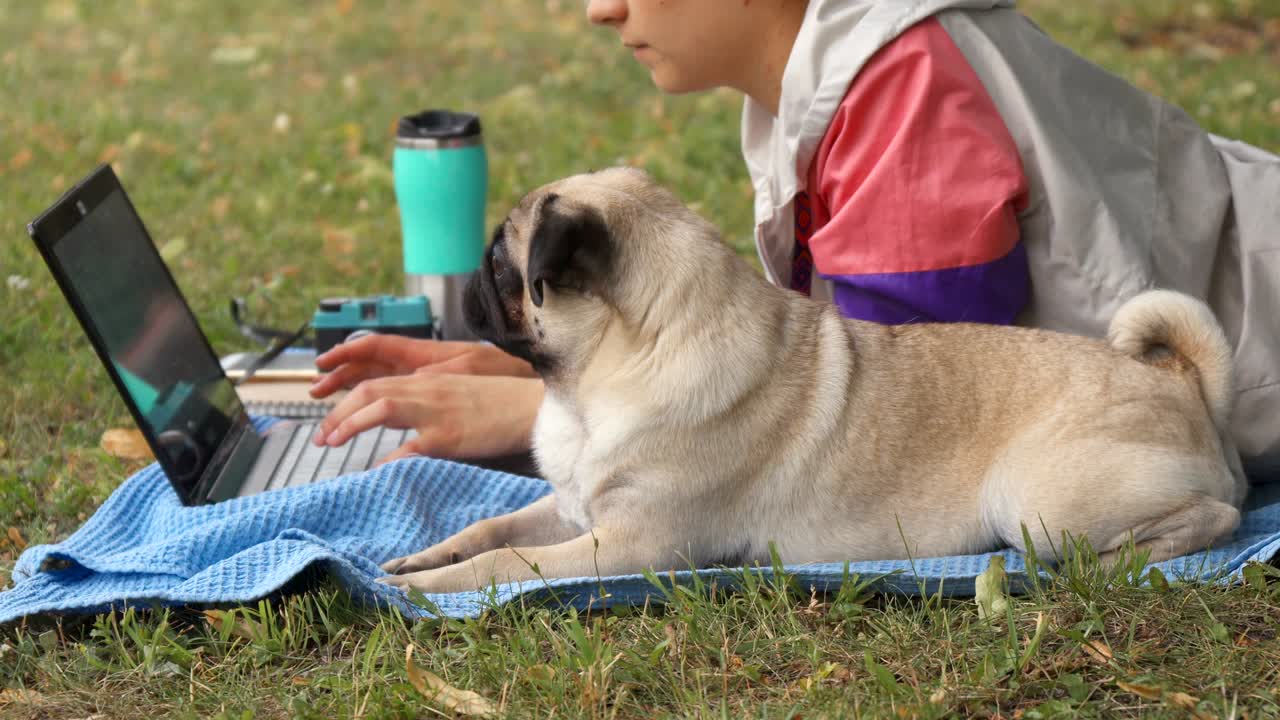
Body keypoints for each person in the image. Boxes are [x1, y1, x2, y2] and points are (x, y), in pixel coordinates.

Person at [312, 0, 1280, 474]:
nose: (600, 9)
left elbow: (896, 409)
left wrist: (533, 425)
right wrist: (531, 368)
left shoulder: (900, 91)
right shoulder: (844, 66)